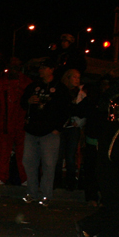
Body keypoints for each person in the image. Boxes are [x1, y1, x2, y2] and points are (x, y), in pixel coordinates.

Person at [75, 93, 119, 237]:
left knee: (112, 205)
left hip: (104, 171)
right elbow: (117, 154)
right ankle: (87, 226)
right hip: (112, 172)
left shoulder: (108, 126)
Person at [20, 58, 71, 207]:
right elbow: (23, 103)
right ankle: (31, 193)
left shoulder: (60, 88)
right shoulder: (33, 86)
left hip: (49, 132)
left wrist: (58, 128)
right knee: (29, 162)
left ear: (51, 70)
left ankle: (46, 195)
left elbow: (66, 110)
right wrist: (29, 101)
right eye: (40, 68)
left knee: (49, 164)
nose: (40, 70)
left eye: (44, 68)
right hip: (32, 130)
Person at [0, 57, 31, 186]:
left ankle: (26, 178)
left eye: (17, 67)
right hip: (5, 123)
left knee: (23, 153)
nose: (14, 70)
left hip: (20, 123)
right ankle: (1, 176)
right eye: (12, 67)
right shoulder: (2, 84)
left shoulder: (26, 83)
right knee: (3, 152)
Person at [58, 68, 87, 191]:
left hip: (73, 128)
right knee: (58, 156)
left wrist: (78, 123)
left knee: (70, 156)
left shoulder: (81, 94)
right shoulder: (61, 91)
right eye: (74, 77)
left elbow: (85, 111)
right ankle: (57, 182)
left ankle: (70, 183)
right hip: (60, 128)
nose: (76, 80)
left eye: (78, 77)